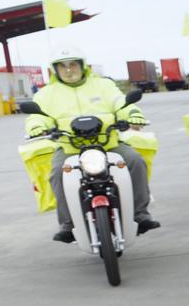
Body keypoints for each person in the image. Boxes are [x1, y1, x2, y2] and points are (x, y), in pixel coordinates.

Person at [25, 45, 159, 242]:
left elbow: (121, 104)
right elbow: (37, 116)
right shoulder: (46, 93)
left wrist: (133, 115)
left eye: (73, 65)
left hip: (108, 143)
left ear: (82, 66)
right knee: (56, 173)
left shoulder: (103, 85)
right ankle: (68, 223)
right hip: (70, 148)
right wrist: (37, 126)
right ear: (55, 70)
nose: (68, 70)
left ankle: (140, 214)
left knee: (135, 160)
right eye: (62, 66)